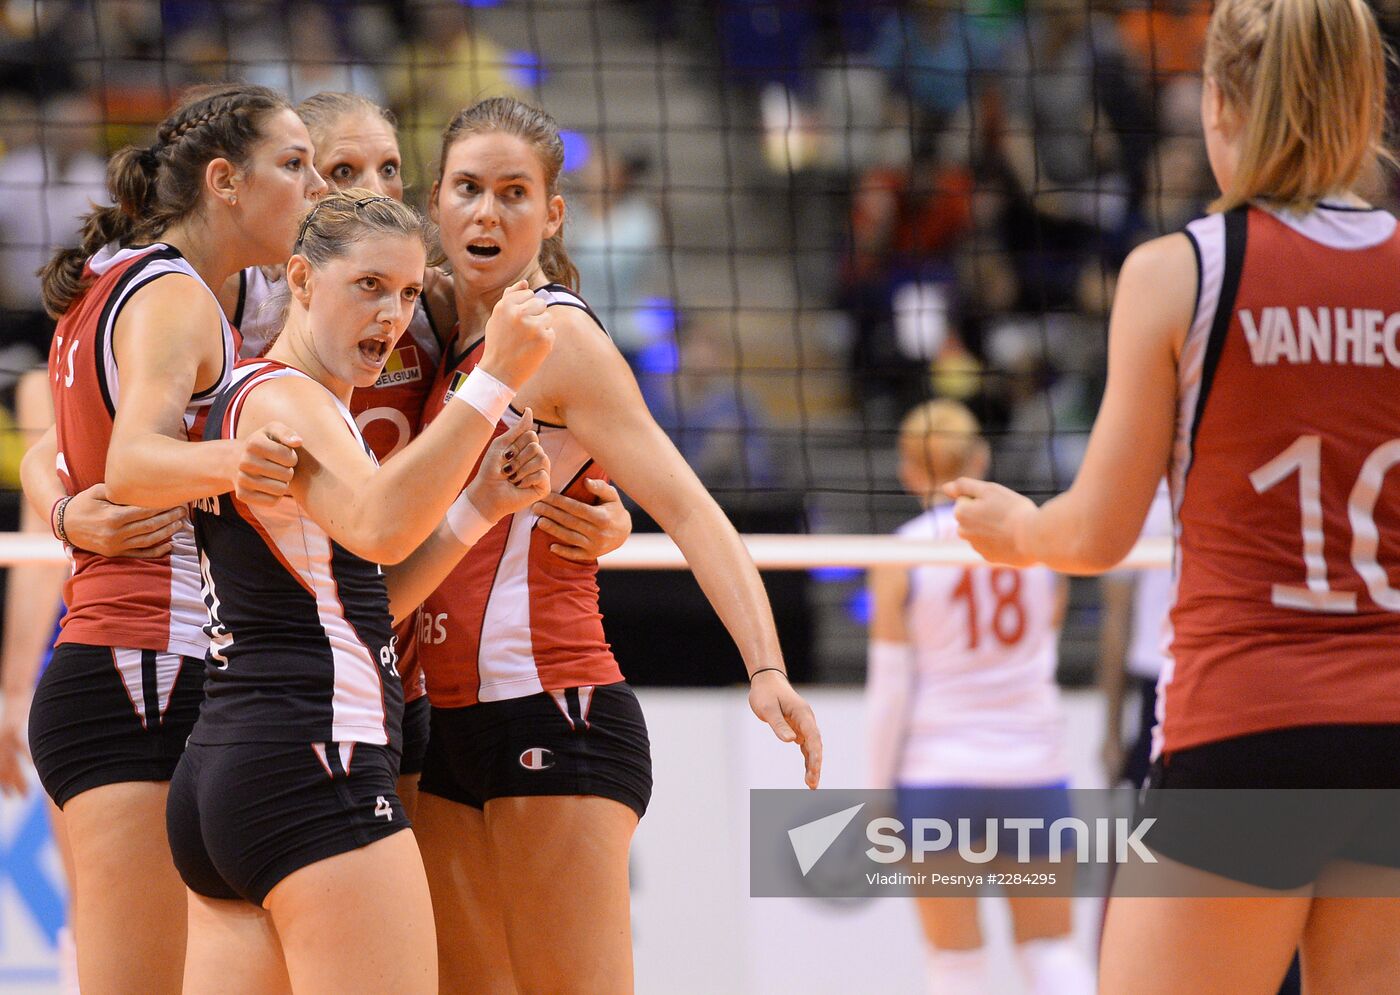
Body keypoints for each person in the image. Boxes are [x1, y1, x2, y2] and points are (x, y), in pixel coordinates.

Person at [946, 0, 1400, 990]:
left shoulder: (1177, 272)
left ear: (1218, 101)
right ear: (1367, 101)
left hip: (1248, 726)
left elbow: (1098, 531)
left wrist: (1017, 527)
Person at [413, 96, 823, 994]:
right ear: (435, 201)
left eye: (514, 193)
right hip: (433, 728)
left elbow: (692, 508)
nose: (487, 213)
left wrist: (765, 667)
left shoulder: (560, 337)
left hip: (553, 711)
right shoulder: (433, 332)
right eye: (469, 189)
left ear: (553, 213)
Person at [166, 189, 553, 994]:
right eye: (369, 285)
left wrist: (481, 505)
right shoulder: (287, 398)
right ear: (301, 279)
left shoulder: (257, 394)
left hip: (227, 775)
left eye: (410, 293)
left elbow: (364, 595)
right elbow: (379, 525)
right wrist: (495, 378)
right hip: (316, 763)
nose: (392, 314)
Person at [222, 90, 633, 819]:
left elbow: (561, 397)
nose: (375, 190)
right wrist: (70, 506)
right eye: (346, 170)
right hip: (289, 675)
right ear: (306, 188)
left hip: (410, 662)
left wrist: (599, 499)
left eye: (389, 171)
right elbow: (85, 438)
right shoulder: (248, 316)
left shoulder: (432, 308)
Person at [23, 82, 325, 994]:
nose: (312, 188)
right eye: (296, 165)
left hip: (147, 670)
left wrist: (63, 513)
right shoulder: (172, 293)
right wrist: (262, 461)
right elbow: (137, 462)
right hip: (139, 667)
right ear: (225, 181)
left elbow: (54, 451)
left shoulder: (128, 281)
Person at [867, 400, 1093, 995]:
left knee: (956, 965)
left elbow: (889, 689)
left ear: (909, 472)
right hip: (1031, 766)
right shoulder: (1040, 545)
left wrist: (875, 794)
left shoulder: (902, 553)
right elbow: (1042, 654)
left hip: (940, 774)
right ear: (981, 458)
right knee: (1050, 952)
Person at [1097, 479, 1171, 786]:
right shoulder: (1141, 498)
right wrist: (1111, 734)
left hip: (1217, 676)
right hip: (1156, 679)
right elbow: (1116, 619)